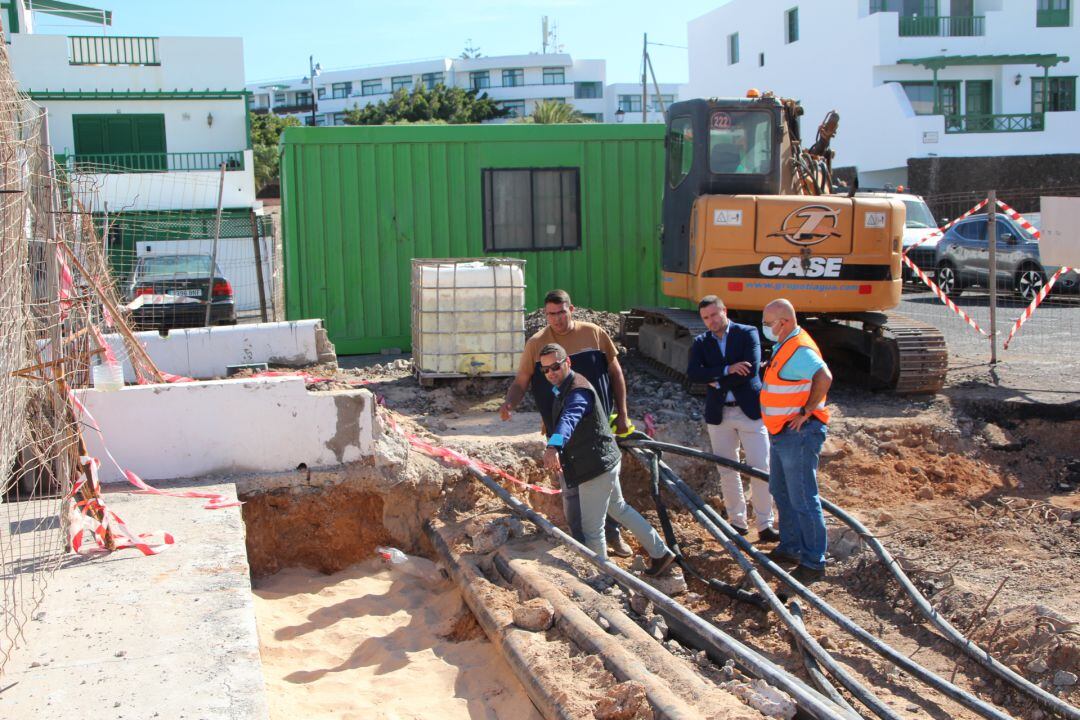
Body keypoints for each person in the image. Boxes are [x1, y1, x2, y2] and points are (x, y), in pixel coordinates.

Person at [500, 289, 634, 556]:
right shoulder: (537, 344)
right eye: (551, 314)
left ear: (571, 310)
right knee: (571, 489)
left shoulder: (594, 333)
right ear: (545, 315)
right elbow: (521, 380)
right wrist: (509, 403)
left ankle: (612, 535)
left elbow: (615, 372)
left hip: (599, 427)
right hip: (560, 431)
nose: (557, 319)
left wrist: (623, 414)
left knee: (606, 487)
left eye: (561, 312)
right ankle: (581, 543)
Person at [537, 343, 675, 575]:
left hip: (595, 467)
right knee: (619, 508)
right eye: (545, 370)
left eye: (555, 366)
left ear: (567, 362)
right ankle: (660, 553)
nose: (551, 373)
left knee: (592, 530)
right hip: (605, 460)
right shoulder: (566, 385)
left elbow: (570, 418)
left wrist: (554, 445)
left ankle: (605, 581)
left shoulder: (578, 391)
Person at [687, 295, 777, 541]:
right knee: (727, 470)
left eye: (715, 315)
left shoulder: (747, 333)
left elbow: (750, 369)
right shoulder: (701, 342)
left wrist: (715, 379)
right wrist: (727, 369)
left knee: (761, 468)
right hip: (720, 414)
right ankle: (738, 522)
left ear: (724, 310)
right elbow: (694, 373)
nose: (711, 321)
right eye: (706, 318)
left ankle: (765, 525)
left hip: (749, 411)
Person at [759, 299, 833, 585]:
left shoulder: (799, 348)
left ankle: (813, 561)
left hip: (798, 435)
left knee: (803, 497)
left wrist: (807, 410)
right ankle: (791, 547)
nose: (765, 328)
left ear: (784, 322)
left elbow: (824, 376)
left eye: (768, 324)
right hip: (782, 432)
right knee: (781, 489)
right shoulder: (786, 343)